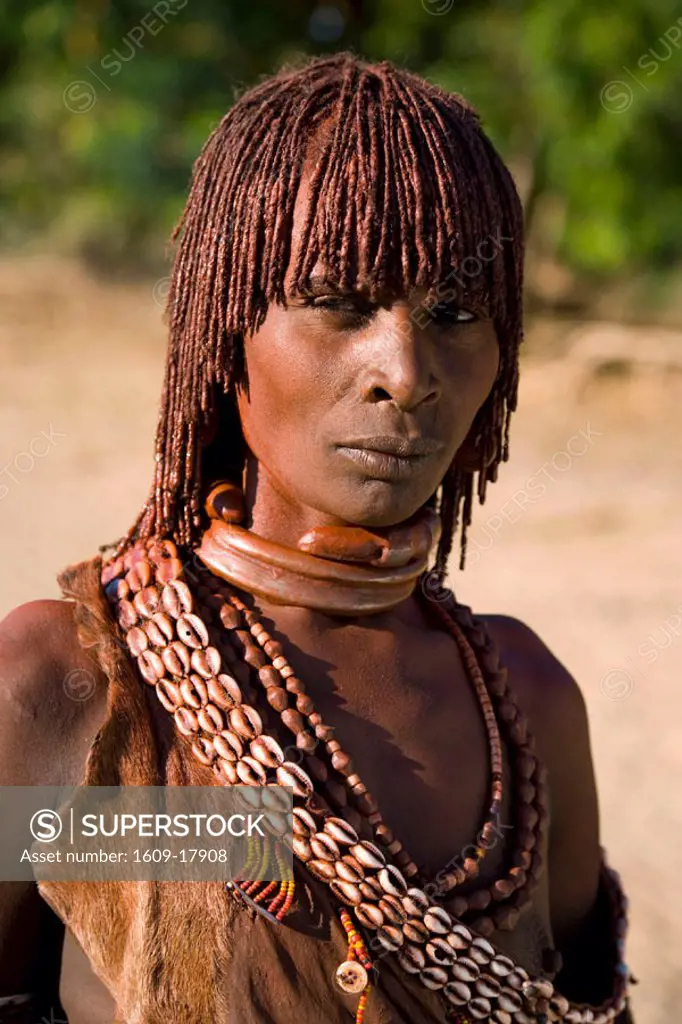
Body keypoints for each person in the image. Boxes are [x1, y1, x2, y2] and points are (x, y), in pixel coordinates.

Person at [0, 54, 633, 1024]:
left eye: (455, 314)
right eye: (340, 303)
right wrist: (225, 838)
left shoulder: (530, 703)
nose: (405, 369)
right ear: (224, 329)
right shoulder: (66, 687)